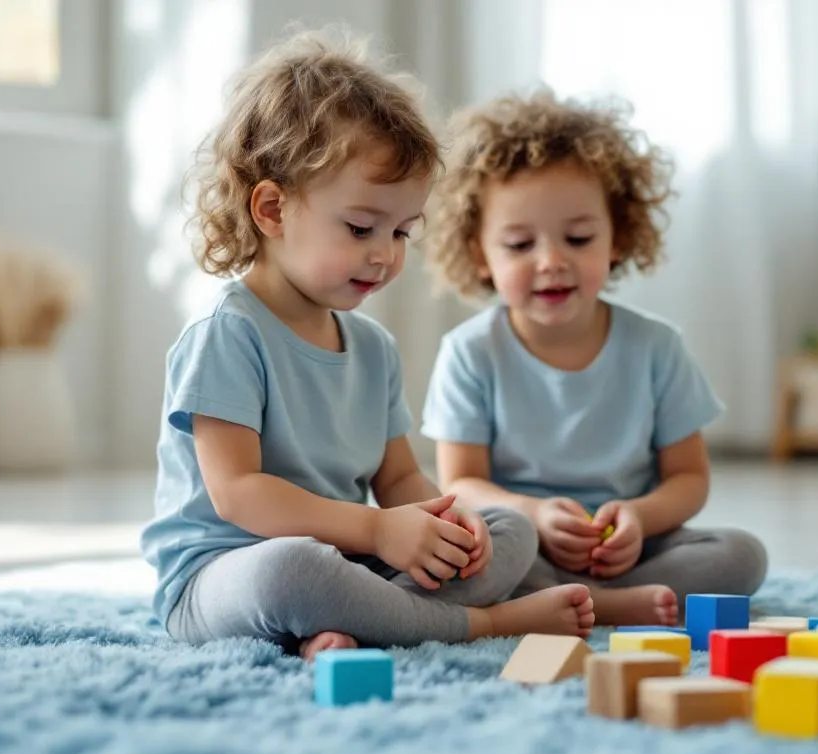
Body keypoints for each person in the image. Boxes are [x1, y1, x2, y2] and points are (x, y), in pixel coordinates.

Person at [140, 33, 595, 661]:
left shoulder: (374, 347)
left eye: (402, 231)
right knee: (293, 571)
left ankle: (355, 625)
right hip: (224, 575)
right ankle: (483, 625)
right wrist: (378, 529)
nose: (384, 254)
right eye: (360, 228)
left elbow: (399, 476)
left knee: (507, 530)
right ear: (272, 210)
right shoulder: (228, 334)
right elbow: (239, 493)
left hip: (355, 560)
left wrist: (440, 520)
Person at [421, 90, 768, 628]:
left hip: (634, 547)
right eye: (519, 244)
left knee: (741, 554)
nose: (552, 261)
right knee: (474, 553)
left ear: (617, 237)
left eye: (578, 237)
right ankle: (601, 602)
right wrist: (532, 513)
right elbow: (461, 485)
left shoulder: (657, 347)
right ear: (478, 254)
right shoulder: (470, 353)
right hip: (524, 542)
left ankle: (575, 598)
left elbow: (689, 478)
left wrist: (636, 517)